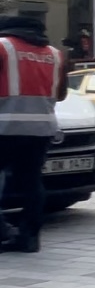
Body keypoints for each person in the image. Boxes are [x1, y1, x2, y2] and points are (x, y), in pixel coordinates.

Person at [0, 14, 66, 253]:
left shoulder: (3, 46)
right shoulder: (55, 54)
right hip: (42, 128)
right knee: (31, 181)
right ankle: (29, 238)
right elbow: (61, 95)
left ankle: (3, 232)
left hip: (4, 125)